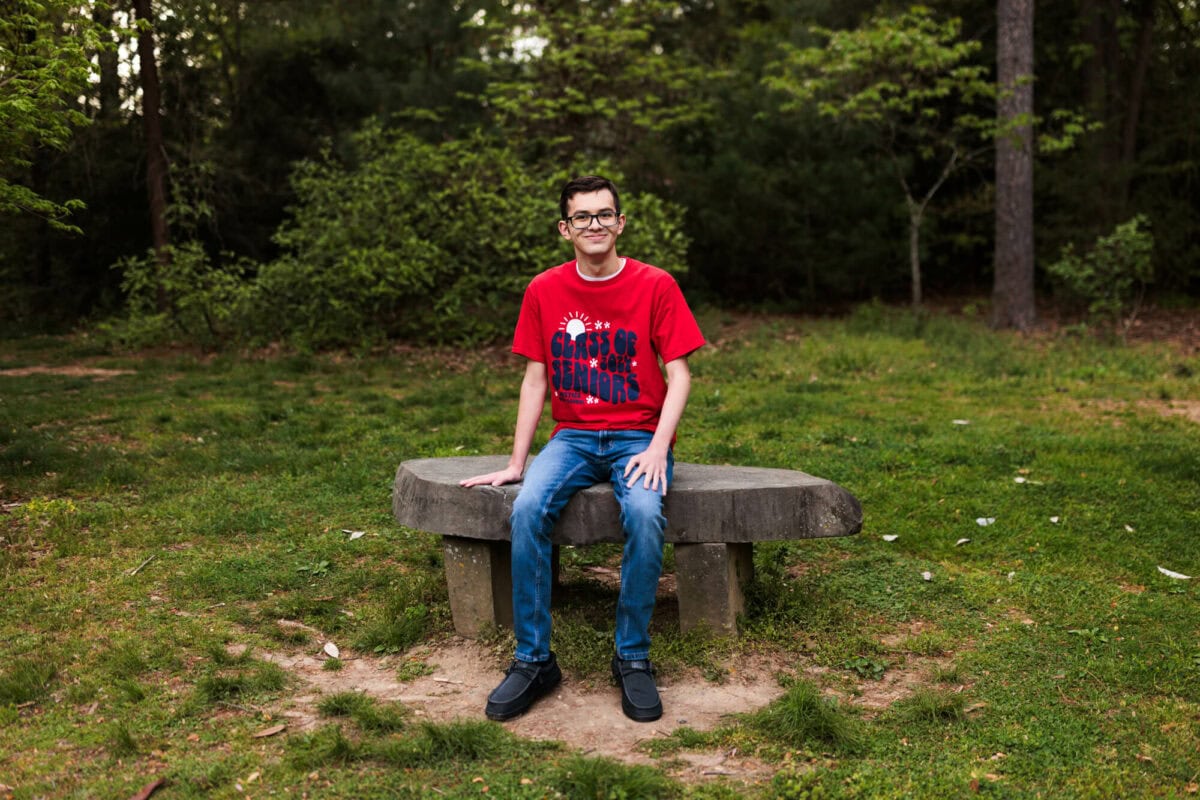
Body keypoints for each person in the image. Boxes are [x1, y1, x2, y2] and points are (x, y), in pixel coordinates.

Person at [460, 175, 705, 723]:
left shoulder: (656, 285)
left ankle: (633, 657)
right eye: (582, 217)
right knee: (525, 508)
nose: (594, 224)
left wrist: (660, 447)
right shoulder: (544, 289)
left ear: (620, 223)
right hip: (571, 437)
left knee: (644, 513)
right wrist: (517, 463)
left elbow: (680, 374)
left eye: (604, 214)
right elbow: (534, 381)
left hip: (638, 435)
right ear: (565, 229)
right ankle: (533, 660)